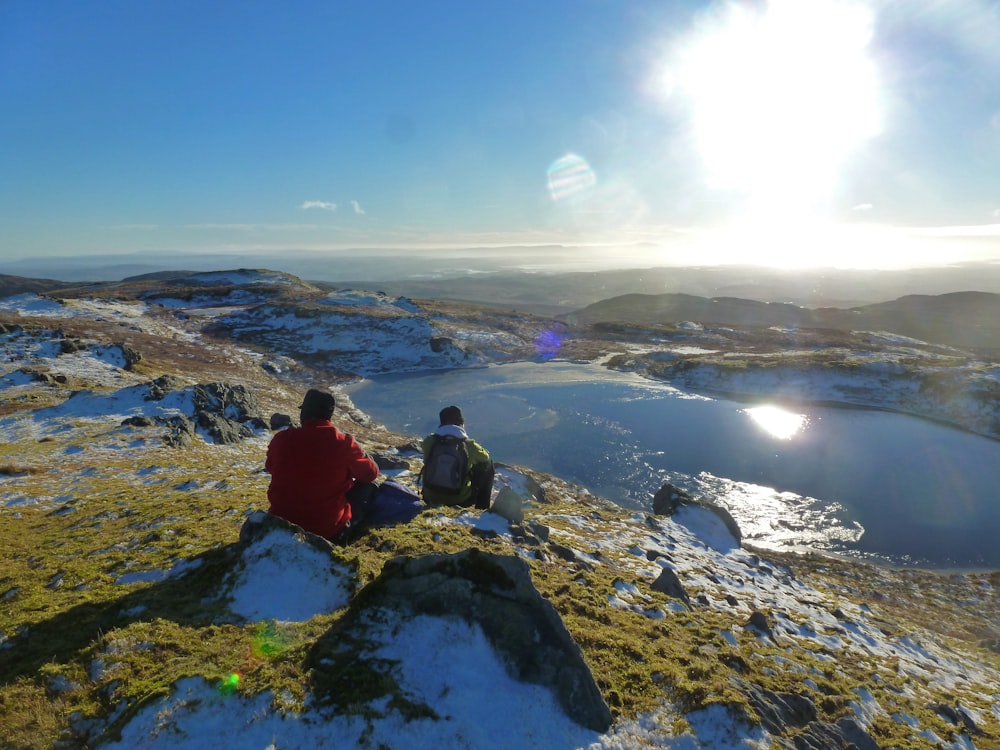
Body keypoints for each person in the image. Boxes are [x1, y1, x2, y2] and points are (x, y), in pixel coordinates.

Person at [265, 388, 378, 539]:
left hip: (280, 525)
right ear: (329, 415)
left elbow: (270, 466)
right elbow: (370, 474)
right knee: (367, 487)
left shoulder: (281, 440)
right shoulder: (343, 443)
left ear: (303, 413)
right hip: (326, 530)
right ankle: (351, 534)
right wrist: (364, 456)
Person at [420, 405, 494, 509]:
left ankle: (435, 494)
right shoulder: (469, 446)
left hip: (430, 497)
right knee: (488, 464)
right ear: (461, 423)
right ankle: (483, 507)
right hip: (460, 499)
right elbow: (486, 457)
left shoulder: (429, 441)